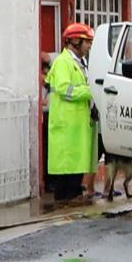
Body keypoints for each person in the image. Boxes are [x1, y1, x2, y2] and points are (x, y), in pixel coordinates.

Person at [45, 23, 99, 206]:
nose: (89, 46)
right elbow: (63, 88)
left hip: (76, 123)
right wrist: (89, 91)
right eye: (87, 42)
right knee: (67, 166)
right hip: (66, 123)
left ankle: (73, 195)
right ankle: (64, 200)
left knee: (76, 164)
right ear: (75, 41)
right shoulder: (63, 62)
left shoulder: (79, 62)